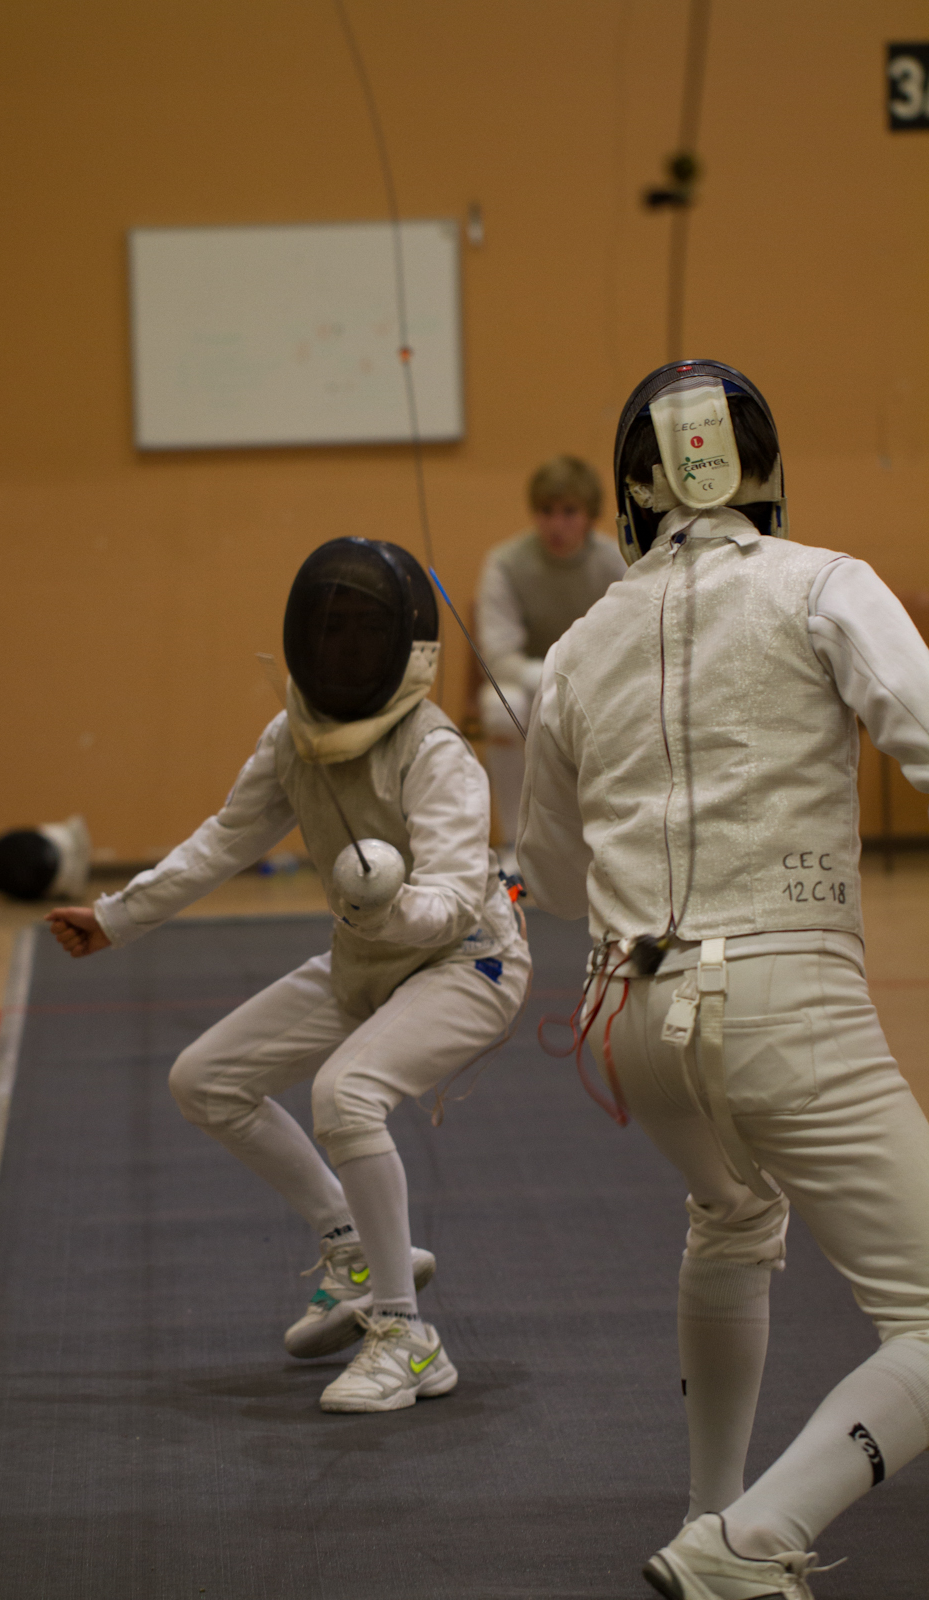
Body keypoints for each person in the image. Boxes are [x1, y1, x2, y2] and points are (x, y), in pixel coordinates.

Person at [517, 359, 929, 1597]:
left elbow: (549, 873)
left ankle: (709, 1507)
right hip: (780, 1002)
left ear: (632, 492)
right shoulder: (822, 583)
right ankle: (747, 1543)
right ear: (762, 470)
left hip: (625, 1019)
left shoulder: (576, 645)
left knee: (733, 1215)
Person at [47, 537, 530, 1414]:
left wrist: (385, 907)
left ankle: (407, 1337)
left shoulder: (434, 751)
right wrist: (117, 918)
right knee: (206, 1080)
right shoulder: (294, 736)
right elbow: (224, 840)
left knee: (347, 1094)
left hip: (469, 963)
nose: (344, 647)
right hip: (367, 958)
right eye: (330, 628)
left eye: (364, 630)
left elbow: (455, 900)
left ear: (404, 645)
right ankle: (351, 1244)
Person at [474, 455, 625, 870]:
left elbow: (629, 639)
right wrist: (556, 680)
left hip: (600, 683)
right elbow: (499, 656)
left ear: (590, 514)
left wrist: (584, 681)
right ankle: (515, 846)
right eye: (546, 511)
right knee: (498, 705)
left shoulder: (614, 561)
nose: (557, 524)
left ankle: (612, 842)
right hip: (532, 686)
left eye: (569, 511)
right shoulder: (506, 563)